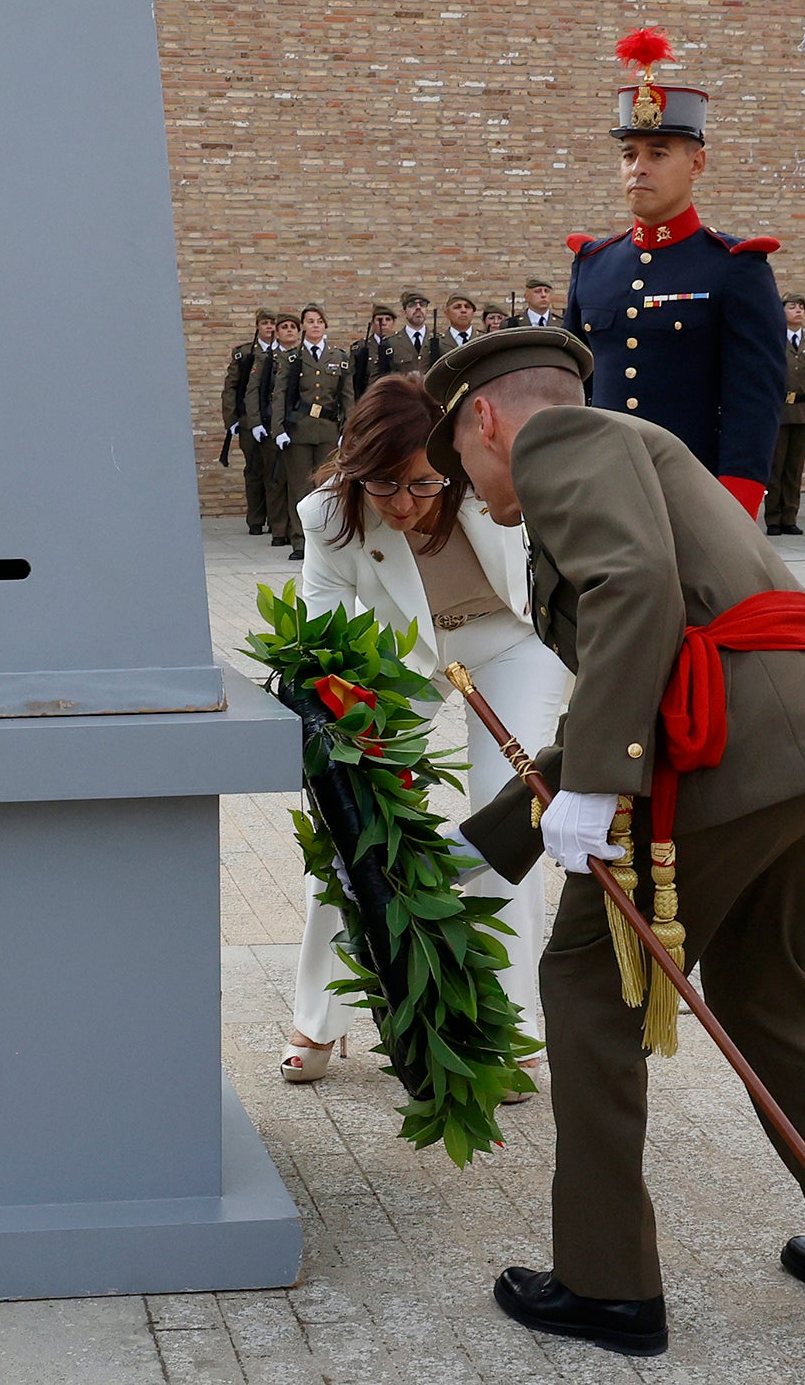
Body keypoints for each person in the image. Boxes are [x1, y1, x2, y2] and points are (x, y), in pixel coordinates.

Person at [426, 328, 805, 1358]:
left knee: (585, 983)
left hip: (727, 763)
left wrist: (591, 788)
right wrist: (497, 840)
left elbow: (631, 590)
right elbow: (653, 651)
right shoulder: (632, 445)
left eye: (459, 454)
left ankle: (606, 1285)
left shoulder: (560, 440)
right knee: (765, 986)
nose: (467, 479)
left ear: (484, 417)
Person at [284, 373, 568, 1086]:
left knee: (509, 810)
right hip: (399, 661)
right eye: (383, 486)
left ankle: (513, 1027)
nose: (404, 504)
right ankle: (316, 1020)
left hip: (508, 644)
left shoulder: (488, 480)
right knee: (356, 826)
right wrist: (348, 737)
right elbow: (324, 639)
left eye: (421, 484)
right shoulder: (328, 514)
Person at [562, 27, 783, 517]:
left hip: (695, 495)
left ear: (697, 163)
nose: (638, 168)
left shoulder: (734, 267)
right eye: (628, 154)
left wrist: (736, 502)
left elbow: (755, 399)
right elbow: (571, 389)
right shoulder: (593, 264)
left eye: (658, 153)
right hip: (603, 492)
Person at [270, 304, 355, 560]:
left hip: (328, 430)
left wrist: (347, 429)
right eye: (310, 321)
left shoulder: (339, 357)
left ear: (325, 326)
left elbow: (347, 396)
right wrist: (279, 428)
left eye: (319, 321)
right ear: (303, 326)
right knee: (300, 487)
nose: (315, 325)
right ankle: (300, 541)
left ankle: (327, 539)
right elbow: (280, 395)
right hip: (298, 430)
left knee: (328, 486)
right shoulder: (292, 358)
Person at [765, 292, 805, 536]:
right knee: (775, 466)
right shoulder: (773, 339)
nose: (797, 311)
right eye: (792, 307)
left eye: (801, 308)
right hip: (779, 409)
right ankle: (773, 518)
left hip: (802, 410)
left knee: (794, 467)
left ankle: (790, 516)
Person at [221, 308, 278, 536]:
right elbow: (231, 387)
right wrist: (231, 418)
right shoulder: (244, 354)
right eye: (265, 323)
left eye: (273, 323)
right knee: (254, 471)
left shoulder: (286, 353)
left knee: (274, 473)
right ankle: (255, 520)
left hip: (275, 422)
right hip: (248, 421)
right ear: (258, 326)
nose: (270, 327)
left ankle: (276, 521)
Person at [261, 311, 304, 548]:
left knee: (295, 479)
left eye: (293, 327)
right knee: (276, 479)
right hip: (272, 422)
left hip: (295, 422)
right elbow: (256, 390)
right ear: (276, 333)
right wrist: (258, 422)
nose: (289, 330)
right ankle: (279, 529)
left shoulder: (301, 357)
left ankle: (295, 528)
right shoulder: (269, 358)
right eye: (284, 327)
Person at [385, 289, 440, 375]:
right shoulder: (391, 343)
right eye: (412, 305)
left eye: (422, 304)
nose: (418, 307)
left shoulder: (439, 340)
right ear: (404, 312)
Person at [350, 302, 396, 397]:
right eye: (379, 319)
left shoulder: (398, 345)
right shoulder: (361, 347)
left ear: (393, 323)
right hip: (369, 397)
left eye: (388, 319)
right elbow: (352, 379)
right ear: (372, 323)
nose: (383, 323)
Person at [436, 291, 477, 359]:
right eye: (457, 307)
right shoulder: (437, 342)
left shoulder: (484, 339)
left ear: (473, 313)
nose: (463, 310)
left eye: (467, 307)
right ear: (447, 313)